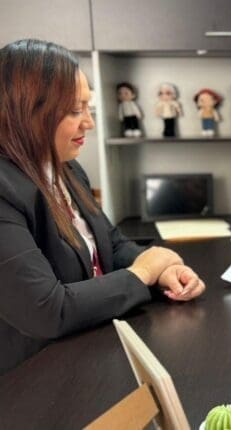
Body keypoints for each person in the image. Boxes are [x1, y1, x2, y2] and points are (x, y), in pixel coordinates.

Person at [0, 39, 206, 374]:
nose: (90, 123)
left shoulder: (67, 168)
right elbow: (47, 311)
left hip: (92, 352)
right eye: (74, 111)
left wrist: (162, 273)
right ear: (24, 112)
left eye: (88, 107)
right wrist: (142, 273)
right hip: (33, 378)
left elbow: (111, 245)